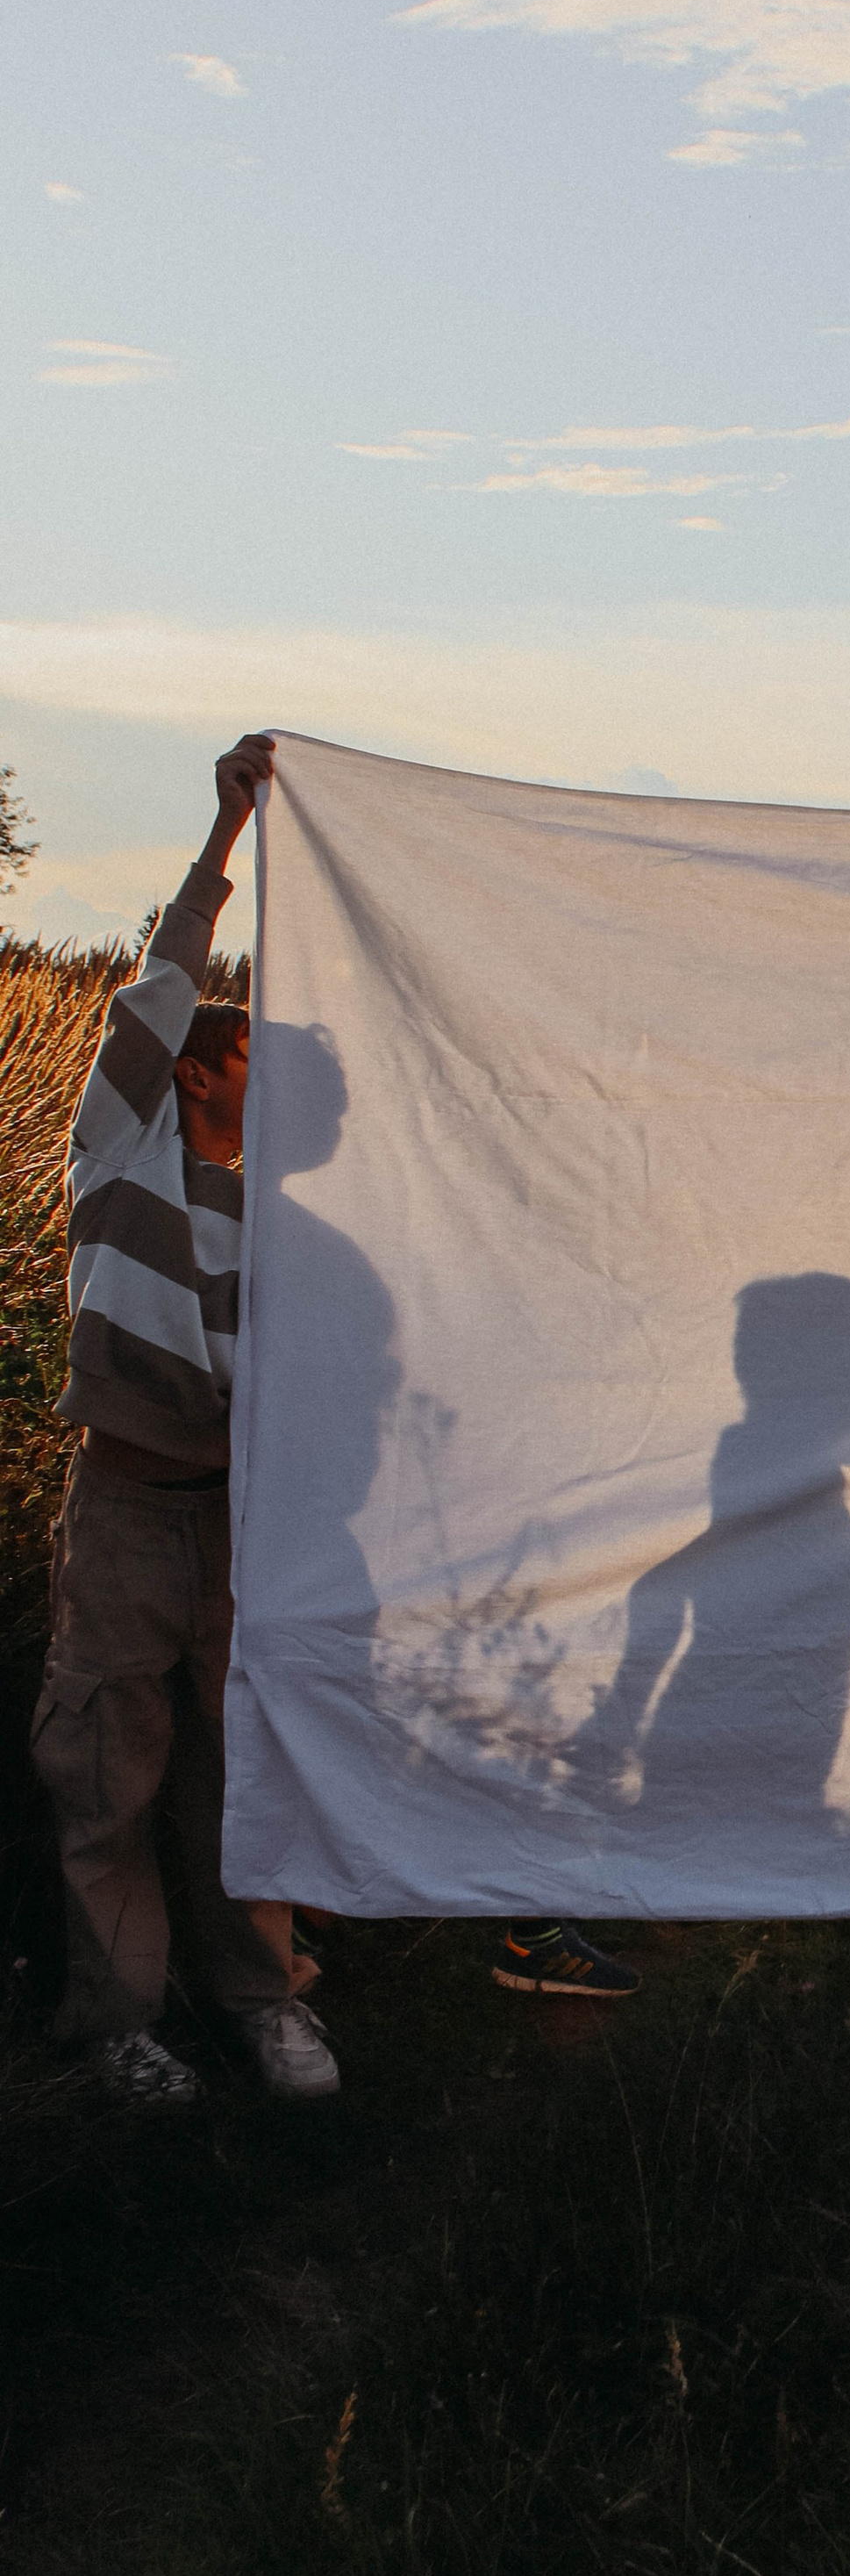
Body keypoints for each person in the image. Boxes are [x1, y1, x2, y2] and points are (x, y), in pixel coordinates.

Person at [29, 735, 340, 2102]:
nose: (264, 1069)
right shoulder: (122, 1148)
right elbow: (160, 985)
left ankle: (261, 2001)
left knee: (240, 1763)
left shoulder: (285, 1220)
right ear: (199, 1068)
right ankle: (119, 2024)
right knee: (110, 1758)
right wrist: (226, 840)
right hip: (128, 1507)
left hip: (241, 1517)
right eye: (248, 1050)